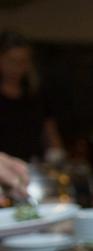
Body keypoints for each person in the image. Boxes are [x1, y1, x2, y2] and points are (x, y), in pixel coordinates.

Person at [0, 32, 62, 163]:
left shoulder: (37, 96)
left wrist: (57, 156)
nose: (16, 68)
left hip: (32, 169)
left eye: (22, 61)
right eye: (11, 61)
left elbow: (51, 135)